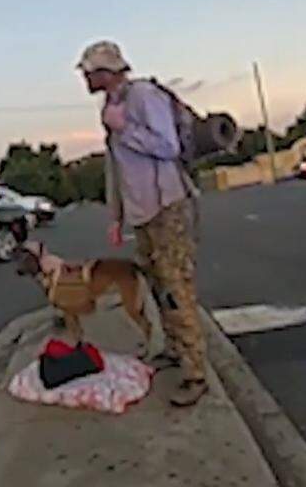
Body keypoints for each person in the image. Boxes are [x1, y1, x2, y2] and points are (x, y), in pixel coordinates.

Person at [77, 40, 208, 407]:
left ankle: (195, 372)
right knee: (154, 281)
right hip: (142, 212)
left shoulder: (143, 96)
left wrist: (125, 129)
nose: (84, 79)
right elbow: (115, 169)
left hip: (168, 205)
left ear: (106, 72)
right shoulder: (111, 105)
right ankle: (173, 348)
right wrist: (115, 217)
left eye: (88, 72)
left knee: (176, 284)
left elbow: (169, 147)